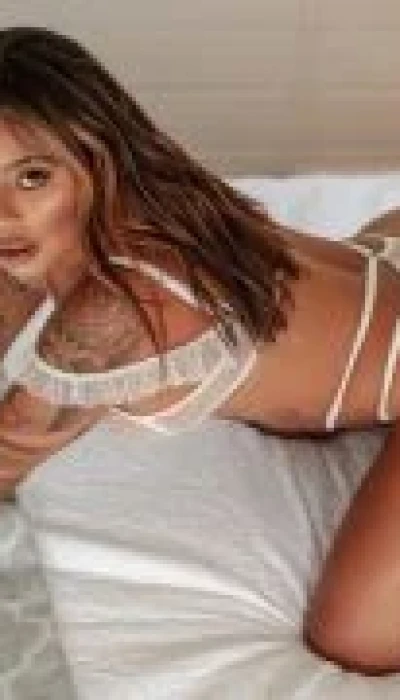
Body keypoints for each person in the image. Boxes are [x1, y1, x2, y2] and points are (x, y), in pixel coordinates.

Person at [1, 25, 400, 675]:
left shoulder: (114, 312)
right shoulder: (125, 200)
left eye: (33, 177)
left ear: (95, 157)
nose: (2, 213)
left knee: (353, 640)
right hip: (384, 263)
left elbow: (9, 449)